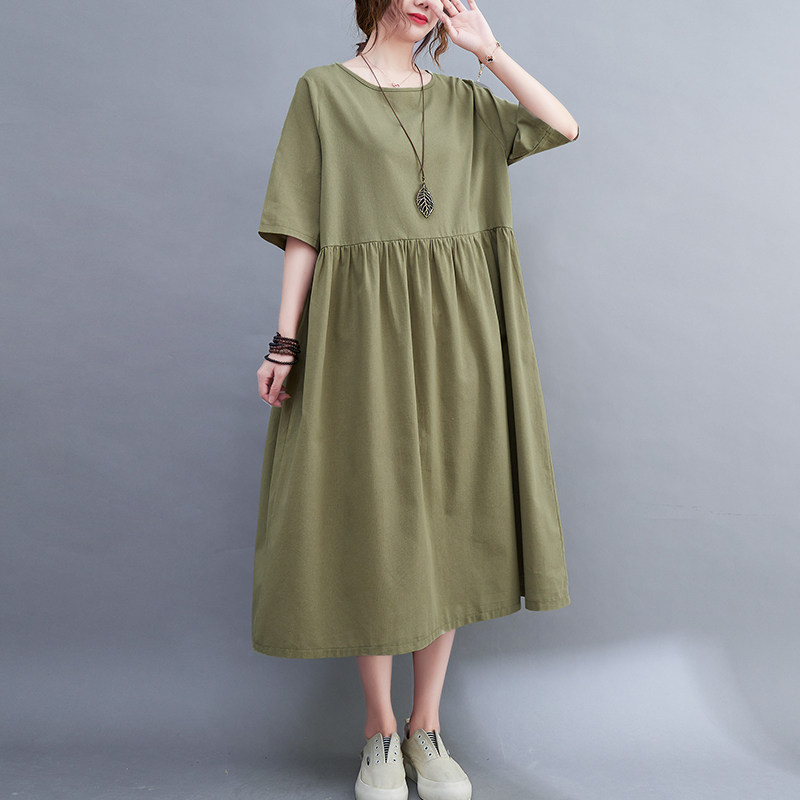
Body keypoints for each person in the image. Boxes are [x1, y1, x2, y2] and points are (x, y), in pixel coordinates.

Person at [254, 1, 578, 797]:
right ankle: (377, 731)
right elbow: (302, 227)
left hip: (461, 336)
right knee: (379, 525)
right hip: (361, 335)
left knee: (447, 523)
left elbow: (562, 125)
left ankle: (424, 728)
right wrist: (285, 340)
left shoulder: (466, 99)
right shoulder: (322, 91)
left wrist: (488, 49)